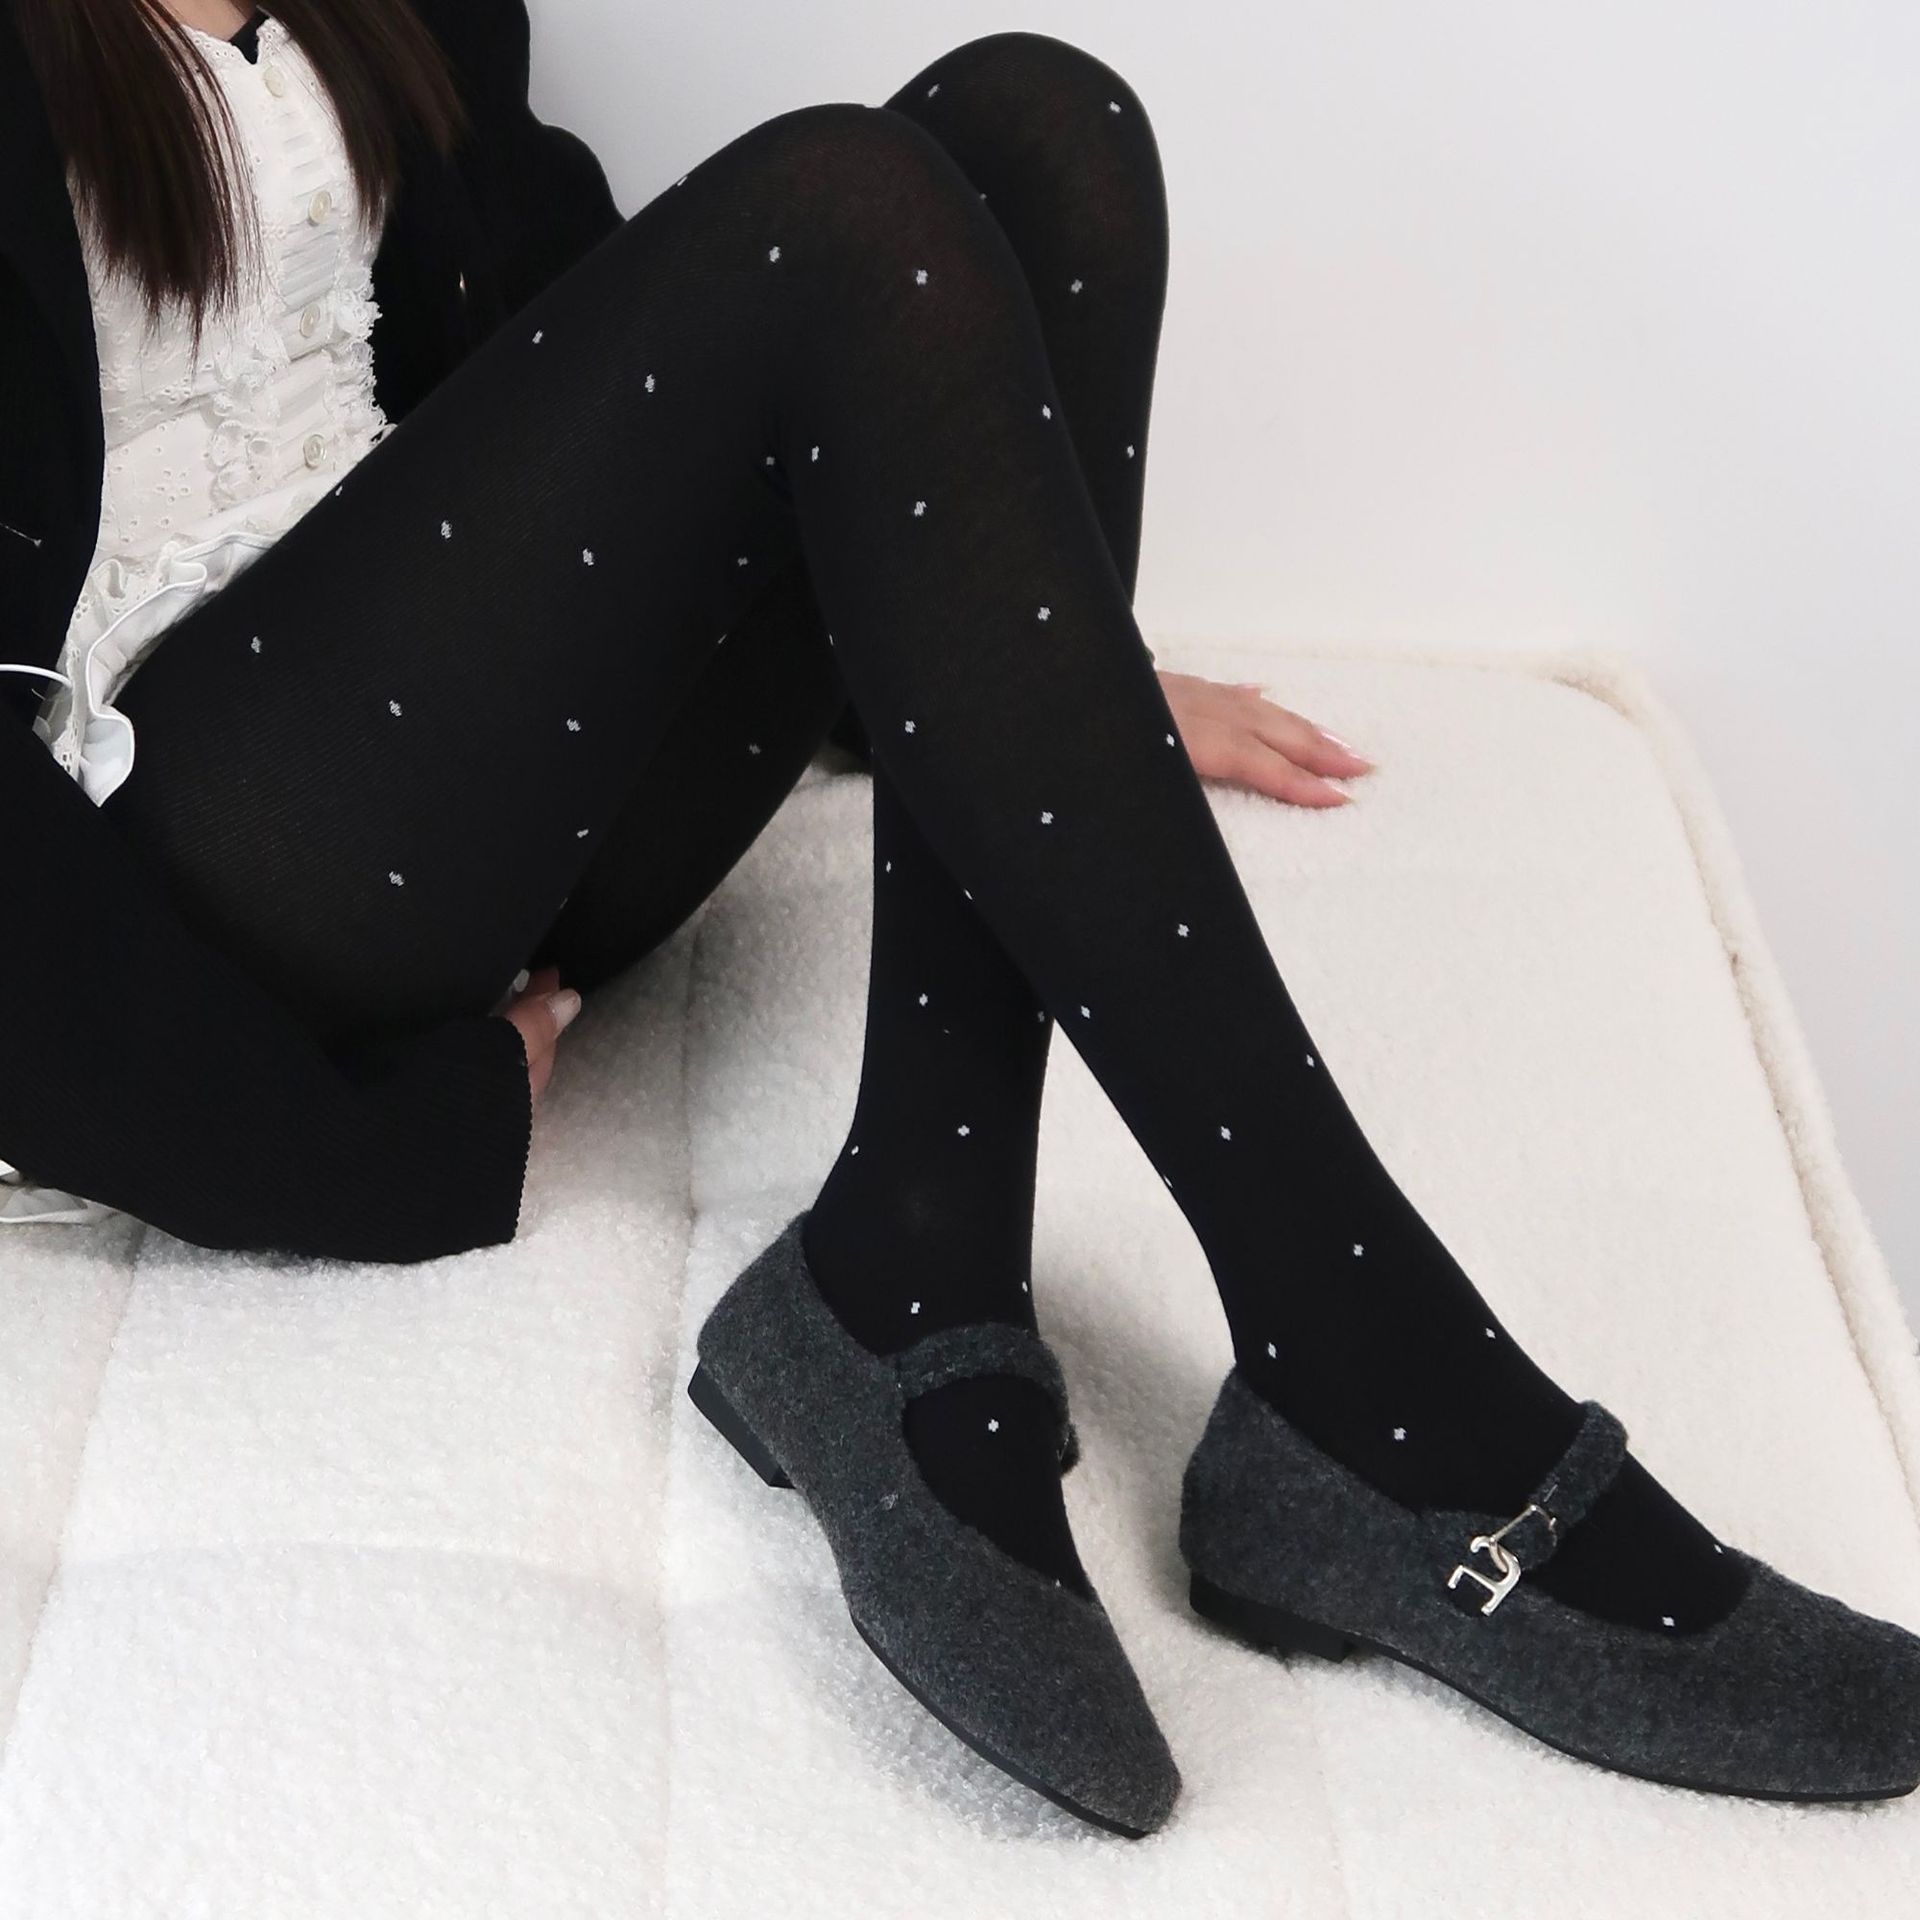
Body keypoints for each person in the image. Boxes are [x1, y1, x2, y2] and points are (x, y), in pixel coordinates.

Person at [2, 0, 1913, 1837]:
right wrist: (396, 1145)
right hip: (192, 896)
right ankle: (1385, 1389)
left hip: (491, 818)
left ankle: (912, 1261)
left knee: (1042, 128)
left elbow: (578, 402)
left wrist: (1038, 665)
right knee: (835, 212)